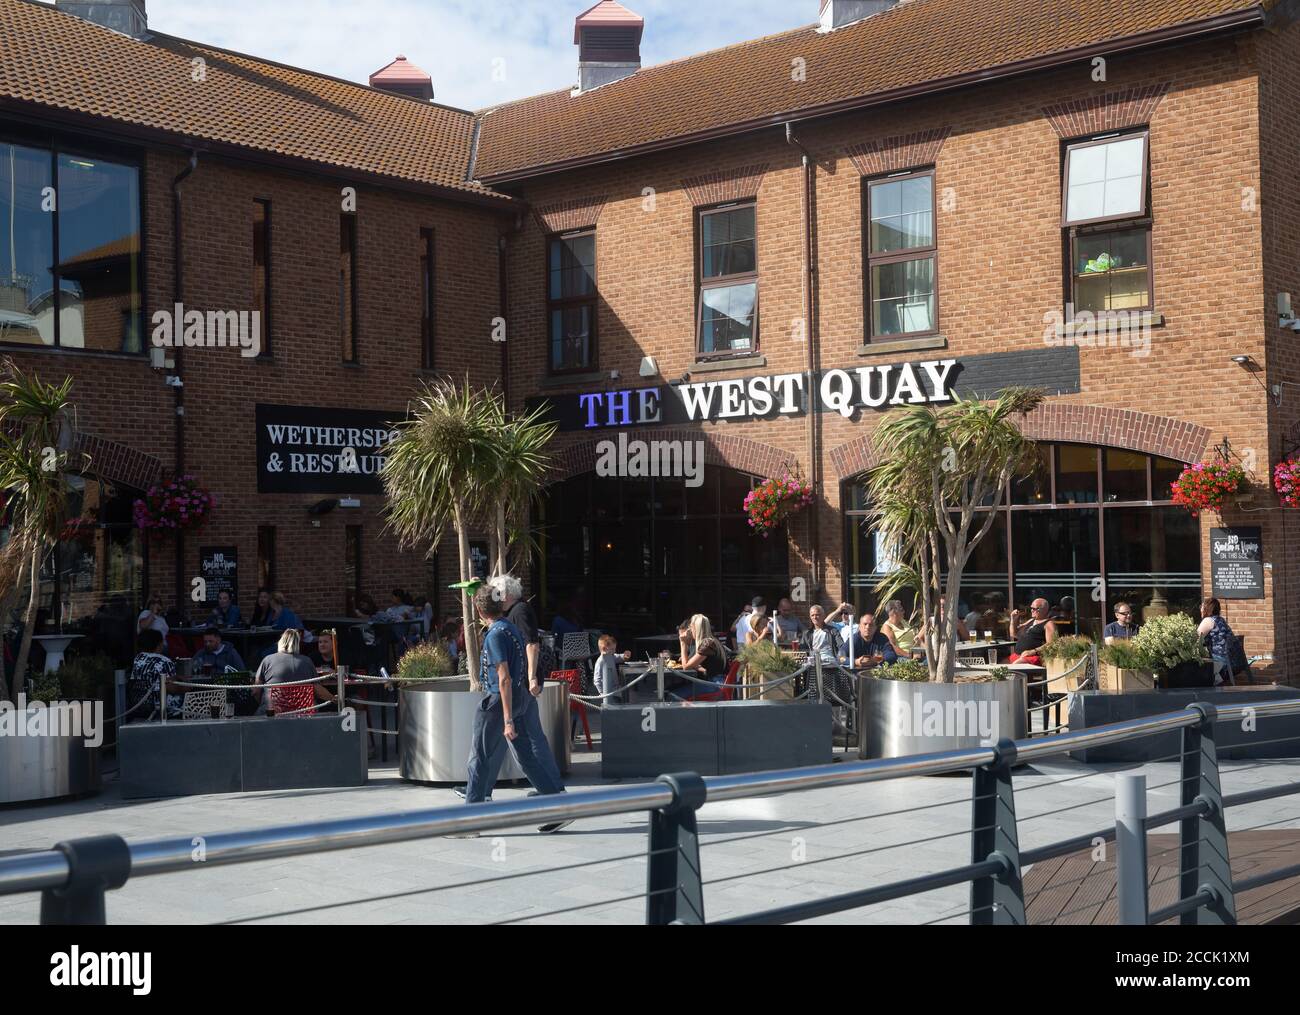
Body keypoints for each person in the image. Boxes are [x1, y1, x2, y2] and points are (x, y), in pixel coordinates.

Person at [461, 585, 569, 834]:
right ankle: (559, 806)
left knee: (479, 758)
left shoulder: (496, 634)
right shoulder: (511, 629)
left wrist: (507, 719)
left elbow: (504, 678)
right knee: (525, 756)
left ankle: (471, 821)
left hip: (500, 702)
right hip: (518, 699)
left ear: (478, 610)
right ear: (500, 605)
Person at [253, 628, 337, 714]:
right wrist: (335, 699)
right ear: (298, 644)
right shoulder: (307, 661)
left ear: (280, 642)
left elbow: (256, 691)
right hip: (303, 712)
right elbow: (318, 690)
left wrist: (263, 703)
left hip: (273, 712)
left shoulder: (267, 660)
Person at [126, 628, 182, 721]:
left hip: (139, 704)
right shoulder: (165, 661)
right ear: (159, 644)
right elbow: (172, 688)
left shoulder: (137, 659)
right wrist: (187, 687)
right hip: (160, 707)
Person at [1198, 598, 1239, 686]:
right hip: (1234, 661)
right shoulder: (1221, 620)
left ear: (1206, 608)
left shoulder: (1208, 620)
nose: (1200, 608)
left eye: (1201, 606)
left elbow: (1195, 638)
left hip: (1221, 663)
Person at [679, 613, 727, 684]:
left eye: (691, 627)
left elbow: (686, 667)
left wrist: (683, 643)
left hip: (714, 683)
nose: (690, 630)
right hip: (715, 680)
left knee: (673, 694)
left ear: (696, 628)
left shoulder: (707, 644)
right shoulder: (711, 641)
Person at [1010, 598, 1057, 664]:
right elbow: (1014, 634)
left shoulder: (1049, 624)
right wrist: (1013, 619)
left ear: (1043, 610)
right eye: (1031, 608)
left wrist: (1033, 651)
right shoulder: (1031, 620)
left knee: (1015, 666)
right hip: (1018, 656)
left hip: (1033, 657)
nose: (1031, 610)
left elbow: (1051, 644)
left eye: (1034, 608)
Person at [594, 633, 630, 705]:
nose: (614, 651)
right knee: (613, 709)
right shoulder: (600, 662)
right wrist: (602, 693)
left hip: (616, 690)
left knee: (619, 706)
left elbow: (617, 657)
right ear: (604, 649)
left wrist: (625, 656)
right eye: (612, 649)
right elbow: (596, 680)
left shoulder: (610, 655)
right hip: (608, 693)